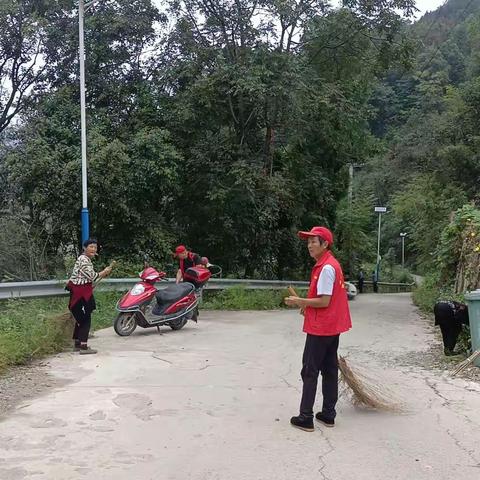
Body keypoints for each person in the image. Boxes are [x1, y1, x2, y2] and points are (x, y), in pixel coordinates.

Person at [284, 226, 352, 432]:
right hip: (332, 326)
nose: (310, 246)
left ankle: (306, 417)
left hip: (321, 327)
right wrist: (307, 305)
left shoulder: (326, 268)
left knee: (310, 370)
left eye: (314, 241)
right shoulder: (331, 265)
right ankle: (328, 414)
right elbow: (325, 301)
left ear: (325, 244)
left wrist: (299, 301)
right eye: (308, 242)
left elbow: (323, 301)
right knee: (330, 369)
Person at [66, 239, 112, 354]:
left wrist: (102, 274)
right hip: (81, 293)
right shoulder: (84, 260)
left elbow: (88, 278)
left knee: (81, 318)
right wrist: (104, 272)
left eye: (95, 247)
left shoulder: (84, 259)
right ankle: (83, 346)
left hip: (80, 291)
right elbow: (92, 276)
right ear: (84, 248)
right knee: (86, 318)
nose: (93, 249)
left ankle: (78, 343)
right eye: (91, 247)